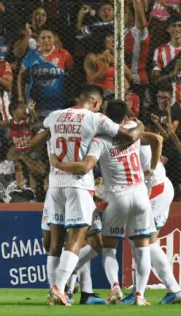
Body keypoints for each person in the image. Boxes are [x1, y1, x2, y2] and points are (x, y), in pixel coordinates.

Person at [36, 85, 144, 306]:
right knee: (77, 238)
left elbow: (36, 136)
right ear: (96, 103)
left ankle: (54, 290)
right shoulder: (97, 120)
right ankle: (59, 289)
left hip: (55, 185)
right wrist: (140, 126)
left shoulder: (55, 115)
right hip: (79, 185)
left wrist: (54, 160)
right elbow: (128, 136)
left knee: (55, 242)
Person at [119, 128, 181, 304]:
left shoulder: (131, 131)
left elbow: (158, 138)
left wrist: (152, 169)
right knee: (148, 241)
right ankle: (174, 290)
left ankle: (138, 293)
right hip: (157, 188)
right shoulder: (120, 134)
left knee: (139, 239)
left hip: (155, 189)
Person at [17, 29, 74, 118]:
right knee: (37, 130)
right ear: (38, 41)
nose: (46, 40)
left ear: (54, 39)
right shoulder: (31, 55)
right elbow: (20, 74)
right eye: (43, 38)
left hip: (58, 104)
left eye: (49, 37)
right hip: (36, 105)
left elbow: (71, 71)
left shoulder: (63, 54)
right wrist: (20, 95)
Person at [152, 15, 181, 106]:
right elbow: (155, 79)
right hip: (168, 102)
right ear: (168, 29)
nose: (177, 29)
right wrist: (172, 74)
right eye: (173, 26)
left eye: (180, 26)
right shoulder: (160, 51)